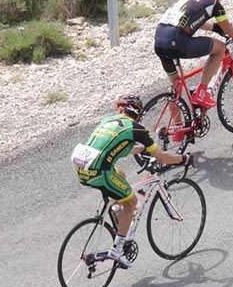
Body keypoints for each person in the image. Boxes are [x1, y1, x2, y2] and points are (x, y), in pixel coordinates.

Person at [72, 94, 191, 268]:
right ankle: (117, 250)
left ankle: (116, 211)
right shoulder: (137, 129)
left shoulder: (109, 121)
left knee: (120, 176)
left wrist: (141, 149)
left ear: (120, 109)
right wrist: (183, 159)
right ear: (138, 114)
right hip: (100, 173)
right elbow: (163, 158)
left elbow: (117, 148)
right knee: (131, 202)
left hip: (82, 169)